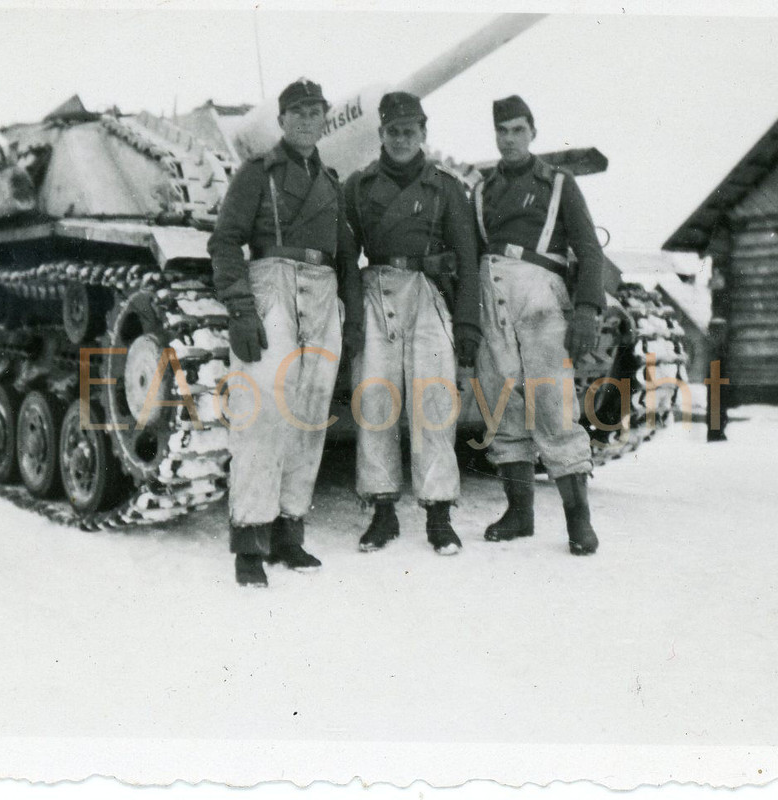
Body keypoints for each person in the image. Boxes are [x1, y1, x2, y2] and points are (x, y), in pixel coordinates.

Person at [209, 78, 364, 587]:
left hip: (322, 295)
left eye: (314, 111)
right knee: (262, 414)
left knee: (311, 415)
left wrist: (354, 320)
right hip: (271, 287)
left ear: (325, 119)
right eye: (295, 112)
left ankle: (289, 533)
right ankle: (250, 543)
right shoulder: (258, 174)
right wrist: (240, 309)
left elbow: (345, 256)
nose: (304, 119)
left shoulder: (330, 181)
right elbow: (226, 241)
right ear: (280, 121)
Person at [343, 92, 481, 555]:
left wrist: (466, 330)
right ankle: (382, 512)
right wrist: (351, 319)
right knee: (375, 399)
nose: (402, 139)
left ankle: (438, 514)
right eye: (393, 131)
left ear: (424, 134)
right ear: (381, 134)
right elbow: (346, 254)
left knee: (434, 401)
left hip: (428, 293)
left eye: (410, 131)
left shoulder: (446, 187)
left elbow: (468, 258)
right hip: (377, 288)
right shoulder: (359, 187)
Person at [472, 94, 603, 556]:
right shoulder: (482, 190)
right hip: (494, 297)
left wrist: (587, 309)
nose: (509, 139)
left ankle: (578, 522)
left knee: (553, 405)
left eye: (518, 130)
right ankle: (519, 514)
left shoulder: (558, 184)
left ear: (533, 132)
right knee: (502, 401)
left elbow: (589, 249)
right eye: (502, 131)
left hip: (542, 296)